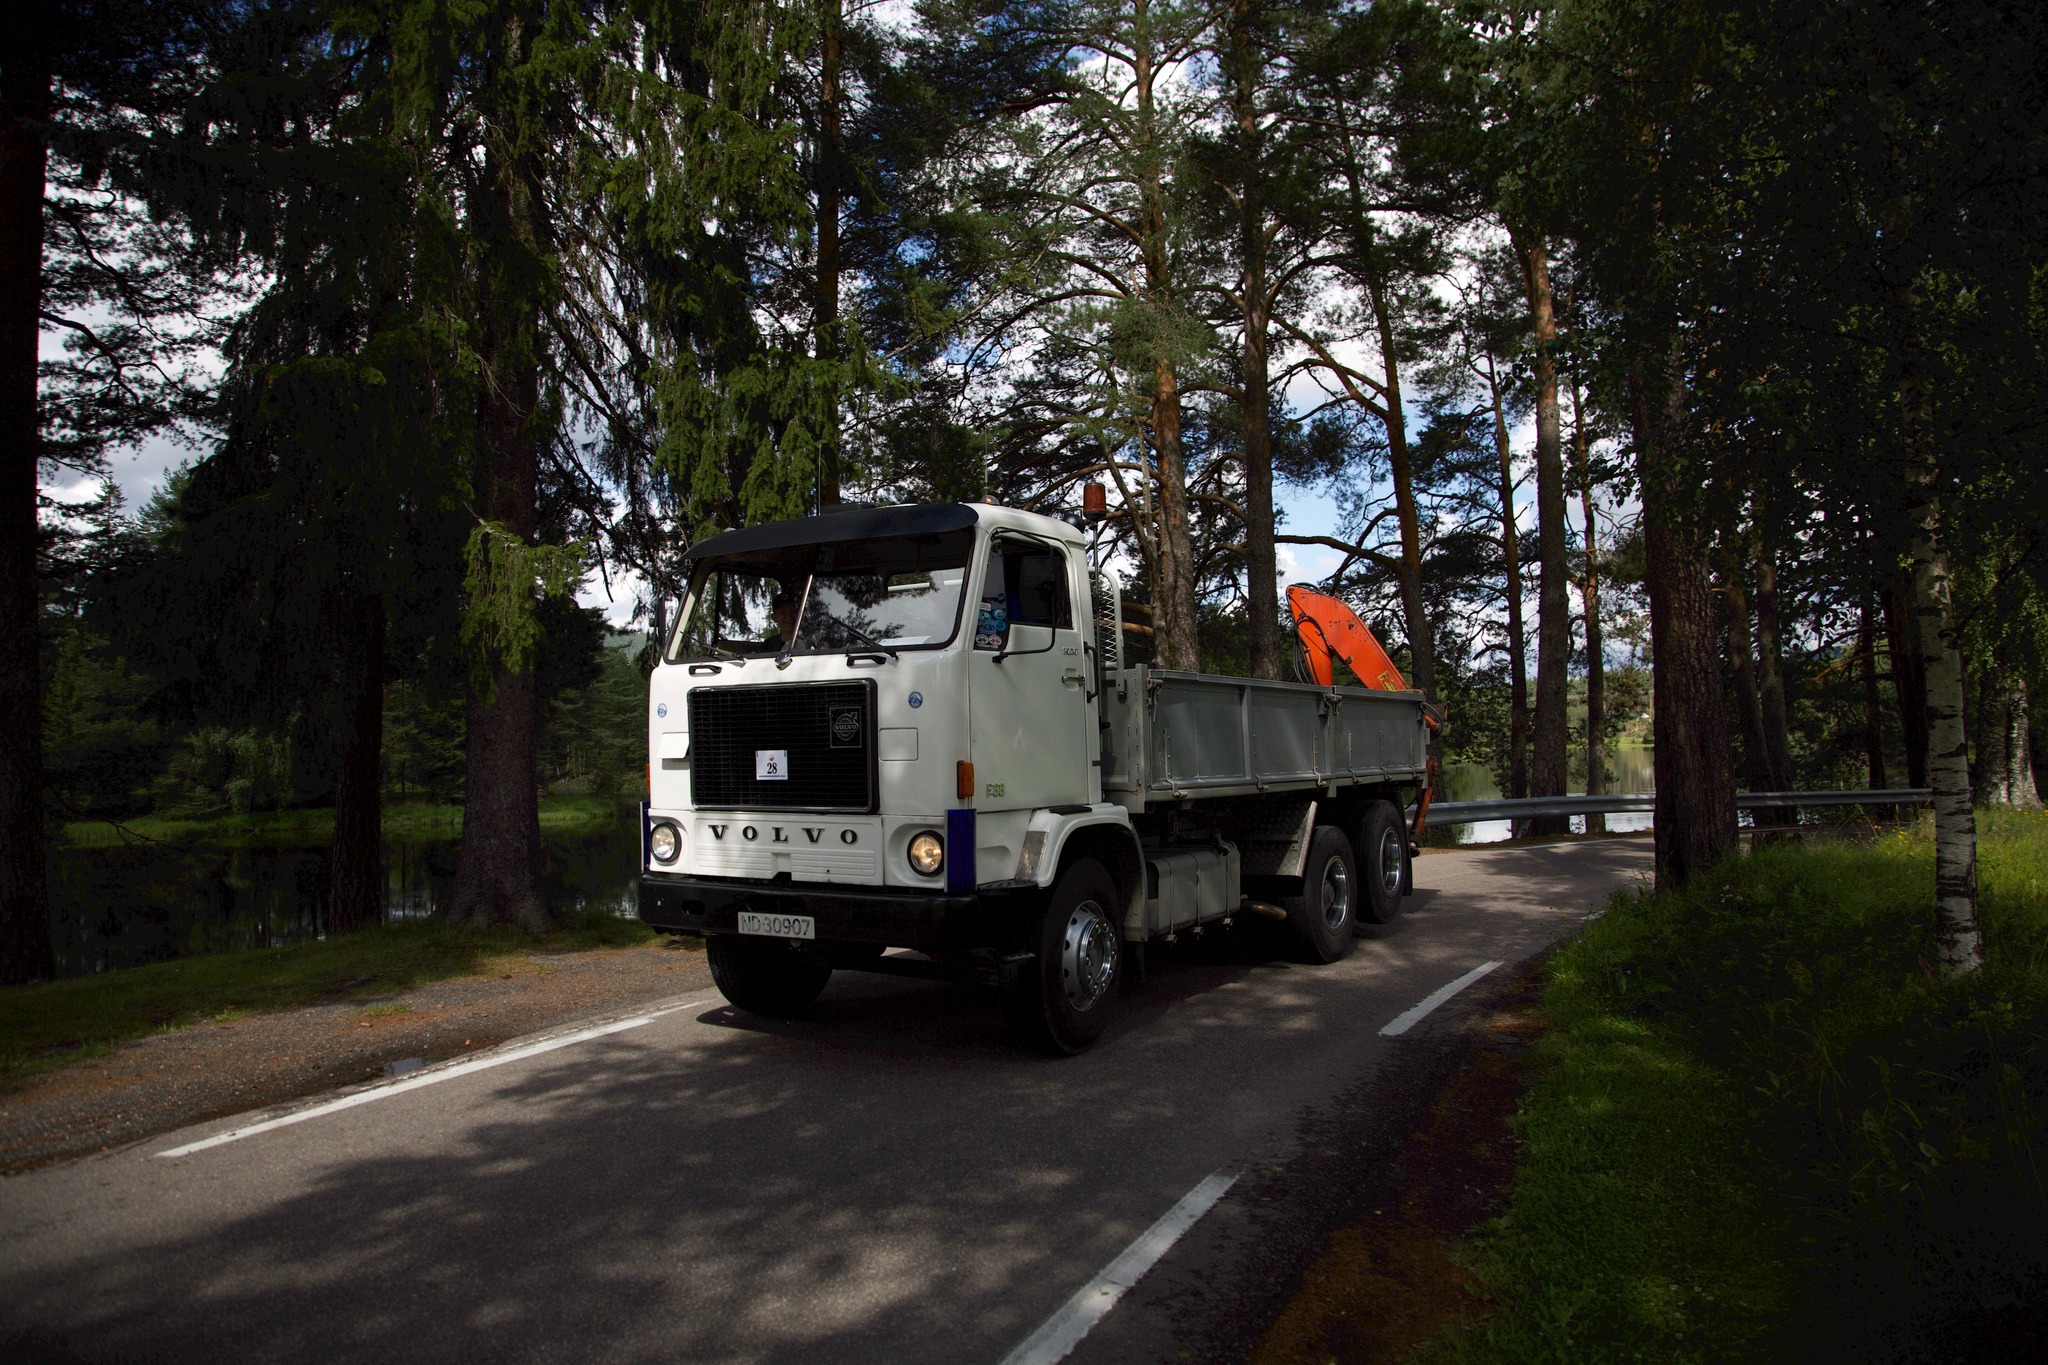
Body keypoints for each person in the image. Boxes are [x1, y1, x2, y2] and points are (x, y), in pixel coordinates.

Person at [759, 584, 800, 654]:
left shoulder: (807, 642)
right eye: (783, 612)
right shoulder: (768, 645)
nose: (789, 616)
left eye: (792, 611)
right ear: (774, 617)